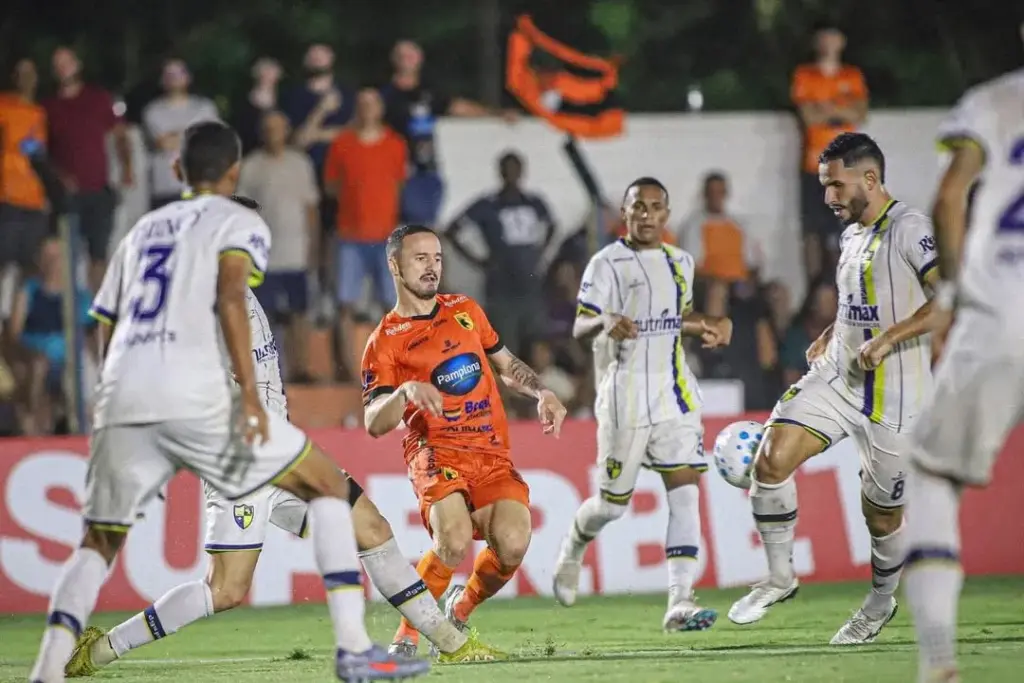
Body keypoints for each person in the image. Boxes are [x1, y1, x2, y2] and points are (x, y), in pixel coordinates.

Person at [26, 121, 427, 683]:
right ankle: (354, 651)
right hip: (238, 442)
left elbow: (109, 323)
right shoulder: (219, 265)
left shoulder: (147, 238)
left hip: (204, 428)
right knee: (232, 584)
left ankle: (431, 638)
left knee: (353, 522)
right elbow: (221, 310)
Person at [63, 286, 501, 677]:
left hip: (282, 450)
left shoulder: (243, 295)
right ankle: (101, 650)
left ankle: (452, 643)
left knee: (372, 529)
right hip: (241, 461)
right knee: (226, 590)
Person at [728, 132, 941, 646]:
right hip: (839, 378)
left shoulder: (913, 230)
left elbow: (950, 300)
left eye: (836, 185)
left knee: (881, 514)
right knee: (770, 459)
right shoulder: (850, 237)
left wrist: (890, 339)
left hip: (898, 398)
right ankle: (780, 577)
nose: (828, 198)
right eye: (825, 186)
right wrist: (830, 334)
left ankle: (880, 602)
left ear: (870, 178)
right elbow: (857, 304)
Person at [359, 224, 567, 656]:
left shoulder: (465, 309)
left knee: (513, 543)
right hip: (435, 452)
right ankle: (407, 638)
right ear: (394, 266)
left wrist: (541, 391)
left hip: (490, 452)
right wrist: (403, 393)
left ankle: (461, 606)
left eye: (437, 258)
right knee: (451, 538)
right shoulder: (384, 342)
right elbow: (375, 422)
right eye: (420, 259)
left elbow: (507, 366)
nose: (432, 267)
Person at [550, 177, 733, 631]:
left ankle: (679, 602)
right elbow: (580, 325)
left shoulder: (681, 261)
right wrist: (606, 320)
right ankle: (572, 548)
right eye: (638, 207)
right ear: (625, 214)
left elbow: (678, 316)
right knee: (612, 506)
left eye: (655, 207)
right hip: (624, 397)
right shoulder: (605, 263)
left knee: (686, 492)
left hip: (674, 394)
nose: (647, 214)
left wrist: (711, 324)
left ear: (666, 215)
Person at [903, 51, 1024, 683]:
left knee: (927, 475)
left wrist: (947, 296)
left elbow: (951, 195)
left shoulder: (997, 100)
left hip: (1003, 308)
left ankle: (939, 662)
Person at [445, 151, 556, 359]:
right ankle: (508, 391)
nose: (512, 174)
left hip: (531, 285)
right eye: (508, 169)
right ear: (500, 172)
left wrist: (540, 252)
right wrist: (478, 261)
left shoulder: (534, 202)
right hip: (501, 287)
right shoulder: (488, 204)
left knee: (537, 345)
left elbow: (552, 225)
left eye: (516, 168)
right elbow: (452, 230)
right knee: (505, 349)